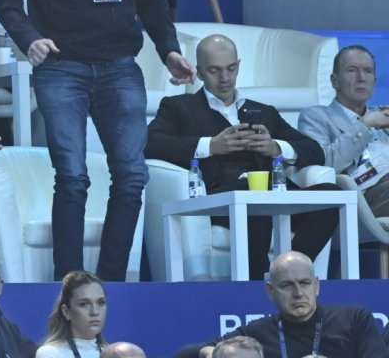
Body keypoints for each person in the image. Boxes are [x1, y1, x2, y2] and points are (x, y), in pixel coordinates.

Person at [0, 0, 195, 281]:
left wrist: (168, 50)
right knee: (72, 176)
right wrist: (30, 38)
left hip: (120, 65)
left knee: (132, 175)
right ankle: (70, 283)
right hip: (61, 66)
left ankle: (109, 283)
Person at [146, 34, 339, 280]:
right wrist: (211, 146)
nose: (224, 78)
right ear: (200, 73)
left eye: (230, 69)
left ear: (238, 66)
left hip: (272, 194)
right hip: (220, 198)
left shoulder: (263, 112)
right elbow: (150, 144)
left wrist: (275, 147)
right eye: (214, 70)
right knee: (253, 197)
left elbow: (315, 150)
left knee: (331, 196)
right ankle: (257, 284)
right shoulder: (179, 108)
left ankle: (285, 274)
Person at [181, 251, 385, 358]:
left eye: (304, 283)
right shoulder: (259, 332)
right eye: (287, 285)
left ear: (316, 285)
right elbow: (184, 354)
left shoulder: (354, 319)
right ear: (270, 291)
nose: (298, 293)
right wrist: (209, 352)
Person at [298, 45, 389, 216]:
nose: (361, 78)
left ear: (374, 81)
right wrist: (365, 124)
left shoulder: (383, 116)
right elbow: (325, 165)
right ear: (335, 81)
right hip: (357, 202)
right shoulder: (315, 117)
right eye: (352, 70)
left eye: (368, 71)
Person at [36, 271, 108, 358]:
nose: (95, 312)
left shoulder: (114, 353)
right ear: (66, 311)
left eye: (101, 303)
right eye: (84, 304)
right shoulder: (50, 353)